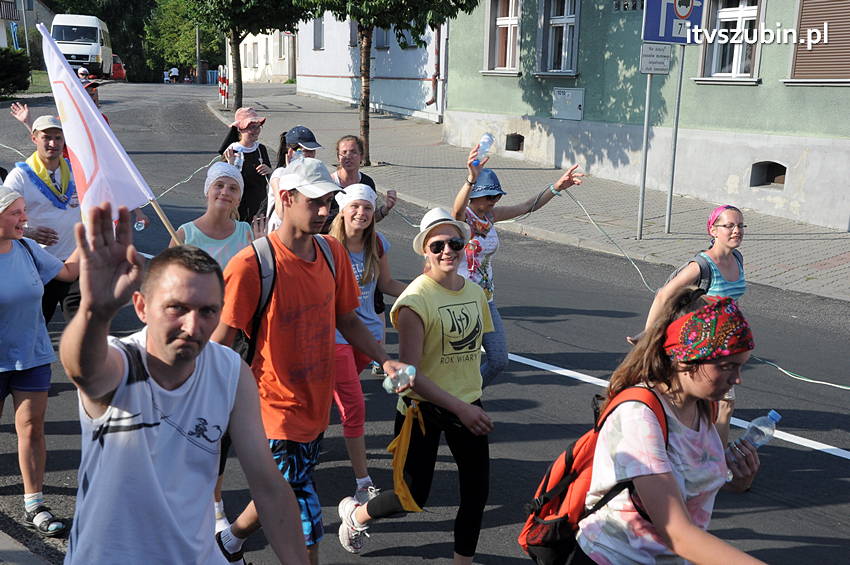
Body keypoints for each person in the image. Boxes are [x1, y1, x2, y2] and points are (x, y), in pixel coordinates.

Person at [59, 203, 309, 565]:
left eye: (208, 311)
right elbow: (82, 367)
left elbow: (269, 485)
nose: (193, 327)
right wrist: (94, 312)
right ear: (142, 307)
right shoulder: (121, 362)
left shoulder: (228, 370)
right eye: (177, 308)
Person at [210, 157, 409, 565]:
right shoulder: (252, 265)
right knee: (305, 523)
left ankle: (228, 542)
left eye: (328, 203)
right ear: (286, 198)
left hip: (316, 409)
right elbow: (221, 341)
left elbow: (347, 318)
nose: (324, 212)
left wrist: (384, 360)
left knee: (280, 489)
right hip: (275, 411)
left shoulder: (332, 252)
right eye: (314, 203)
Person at [336, 208, 495, 565]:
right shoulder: (414, 301)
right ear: (425, 250)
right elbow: (408, 374)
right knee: (412, 497)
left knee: (476, 494)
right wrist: (461, 408)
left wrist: (470, 404)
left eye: (454, 243)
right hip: (422, 409)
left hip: (468, 404)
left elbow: (467, 357)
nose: (446, 251)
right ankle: (358, 516)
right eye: (437, 245)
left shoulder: (475, 293)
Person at [572, 289, 763, 564]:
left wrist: (738, 481)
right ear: (685, 360)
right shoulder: (640, 416)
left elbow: (690, 481)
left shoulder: (702, 405)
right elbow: (677, 533)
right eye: (727, 366)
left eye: (741, 367)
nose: (737, 379)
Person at [169, 161, 256, 533]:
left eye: (232, 188)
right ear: (207, 190)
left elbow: (258, 283)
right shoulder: (185, 234)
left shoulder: (247, 232)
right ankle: (179, 496)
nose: (225, 193)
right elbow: (166, 289)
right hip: (191, 343)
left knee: (220, 429)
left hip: (234, 346)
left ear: (239, 197)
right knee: (184, 424)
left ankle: (215, 501)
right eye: (219, 186)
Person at [452, 146, 584, 387]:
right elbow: (457, 209)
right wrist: (471, 177)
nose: (494, 201)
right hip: (461, 301)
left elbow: (526, 207)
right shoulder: (462, 219)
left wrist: (556, 187)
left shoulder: (491, 216)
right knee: (460, 360)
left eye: (497, 196)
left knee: (499, 360)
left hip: (486, 300)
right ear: (475, 196)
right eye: (489, 196)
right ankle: (457, 401)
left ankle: (467, 392)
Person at [630, 204, 748, 444]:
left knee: (710, 404)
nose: (737, 230)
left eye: (740, 225)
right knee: (723, 405)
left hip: (724, 342)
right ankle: (719, 467)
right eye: (729, 226)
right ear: (713, 230)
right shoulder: (701, 266)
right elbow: (664, 295)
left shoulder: (737, 257)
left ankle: (697, 452)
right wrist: (649, 333)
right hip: (700, 345)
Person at [0, 185, 79, 538]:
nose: (24, 218)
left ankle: (35, 503)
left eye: (23, 211)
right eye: (16, 212)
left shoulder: (28, 249)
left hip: (32, 356)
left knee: (31, 429)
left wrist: (88, 239)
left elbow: (67, 273)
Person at [327, 184, 407, 504]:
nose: (361, 213)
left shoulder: (378, 243)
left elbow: (386, 284)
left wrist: (427, 292)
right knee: (355, 406)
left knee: (336, 401)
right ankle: (363, 482)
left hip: (369, 336)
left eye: (368, 208)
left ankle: (309, 429)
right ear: (344, 210)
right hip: (336, 337)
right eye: (356, 207)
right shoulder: (328, 246)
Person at [3, 116, 81, 323]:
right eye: (46, 137)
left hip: (75, 259)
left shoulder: (76, 171)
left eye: (58, 138)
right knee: (36, 326)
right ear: (34, 138)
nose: (53, 143)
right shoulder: (20, 176)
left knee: (82, 324)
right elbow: (2, 217)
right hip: (38, 264)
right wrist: (29, 232)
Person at [265, 125, 323, 234]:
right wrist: (291, 176)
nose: (310, 155)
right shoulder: (279, 174)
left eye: (313, 151)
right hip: (278, 238)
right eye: (306, 151)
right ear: (291, 152)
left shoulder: (311, 177)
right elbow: (282, 212)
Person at [221, 107, 272, 222]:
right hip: (238, 210)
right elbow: (222, 183)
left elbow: (269, 178)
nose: (256, 130)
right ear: (240, 129)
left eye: (258, 126)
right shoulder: (231, 151)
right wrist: (231, 164)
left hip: (259, 208)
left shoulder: (261, 149)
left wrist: (269, 171)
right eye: (251, 127)